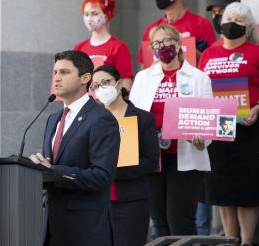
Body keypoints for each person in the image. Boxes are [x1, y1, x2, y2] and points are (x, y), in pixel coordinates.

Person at [130, 24, 213, 237]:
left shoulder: (199, 78)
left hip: (186, 156)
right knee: (159, 219)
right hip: (152, 157)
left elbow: (208, 119)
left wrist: (202, 138)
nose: (162, 47)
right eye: (156, 43)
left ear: (178, 44)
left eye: (167, 41)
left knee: (180, 218)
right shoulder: (143, 78)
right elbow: (132, 116)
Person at [30, 50, 120, 246]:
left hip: (85, 229)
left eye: (64, 72)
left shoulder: (101, 119)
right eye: (55, 73)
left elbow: (101, 176)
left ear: (85, 78)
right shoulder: (52, 119)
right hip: (52, 227)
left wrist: (53, 171)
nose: (57, 78)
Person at [198, 2, 259, 245]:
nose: (233, 23)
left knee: (246, 188)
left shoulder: (256, 52)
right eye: (229, 18)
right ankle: (230, 240)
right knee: (221, 188)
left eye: (240, 21)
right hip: (217, 128)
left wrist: (257, 108)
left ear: (249, 27)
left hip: (248, 128)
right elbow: (201, 89)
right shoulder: (210, 53)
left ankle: (246, 241)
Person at [91, 64, 159, 246]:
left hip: (131, 201)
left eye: (105, 82)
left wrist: (115, 172)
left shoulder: (143, 119)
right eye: (95, 86)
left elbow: (151, 161)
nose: (101, 89)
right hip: (97, 202)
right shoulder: (92, 120)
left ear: (119, 83)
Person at [136, 0, 216, 66]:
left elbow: (212, 62)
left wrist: (191, 50)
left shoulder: (201, 24)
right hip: (160, 83)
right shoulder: (152, 30)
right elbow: (144, 65)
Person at [75, 0, 133, 90]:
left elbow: (125, 84)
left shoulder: (119, 47)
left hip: (108, 102)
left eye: (94, 13)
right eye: (86, 14)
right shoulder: (79, 48)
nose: (89, 18)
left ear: (107, 14)